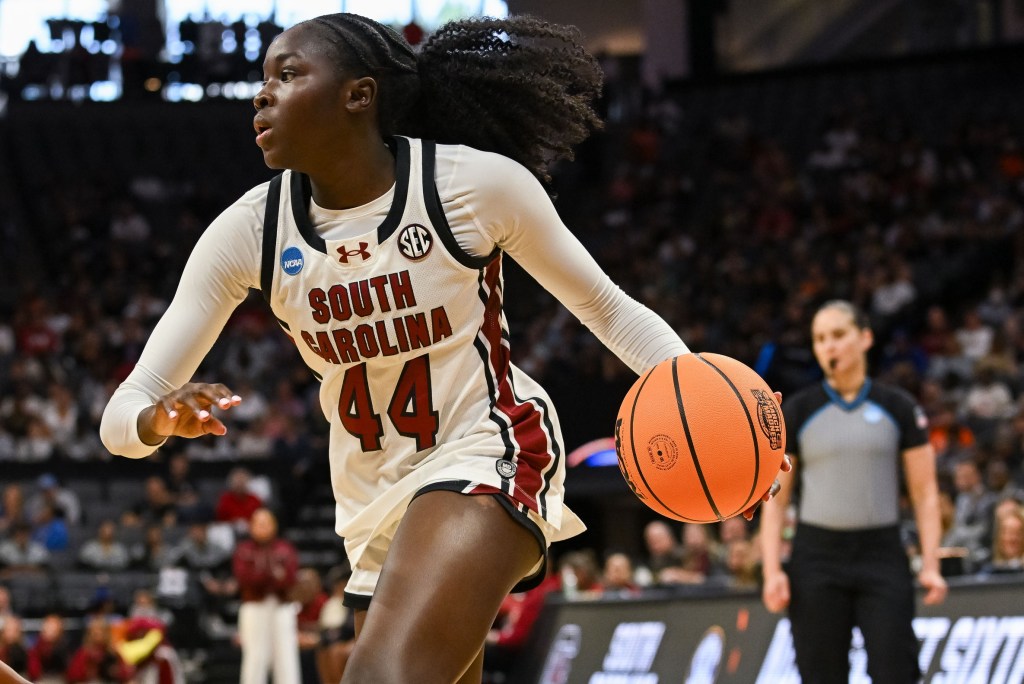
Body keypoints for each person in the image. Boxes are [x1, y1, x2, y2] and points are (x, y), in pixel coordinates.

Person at [99, 12, 786, 683]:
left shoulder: (469, 185)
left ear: (358, 95)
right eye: (264, 79)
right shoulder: (249, 230)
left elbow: (605, 306)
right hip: (371, 499)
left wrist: (709, 404)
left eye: (288, 73)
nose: (262, 92)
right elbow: (120, 418)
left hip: (487, 449)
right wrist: (159, 417)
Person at [760, 300, 947, 684]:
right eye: (820, 339)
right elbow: (776, 499)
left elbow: (925, 492)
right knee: (820, 674)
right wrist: (772, 570)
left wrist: (931, 563)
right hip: (816, 559)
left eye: (839, 335)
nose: (830, 346)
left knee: (896, 671)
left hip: (883, 555)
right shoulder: (797, 410)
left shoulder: (899, 407)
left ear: (865, 338)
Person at [232, 507, 300, 683]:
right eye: (258, 524)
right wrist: (272, 575)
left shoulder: (285, 548)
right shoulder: (244, 549)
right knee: (255, 657)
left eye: (266, 523)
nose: (262, 528)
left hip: (281, 605)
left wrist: (264, 576)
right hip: (254, 605)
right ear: (251, 527)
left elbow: (290, 578)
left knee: (286, 656)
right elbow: (244, 578)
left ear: (274, 526)